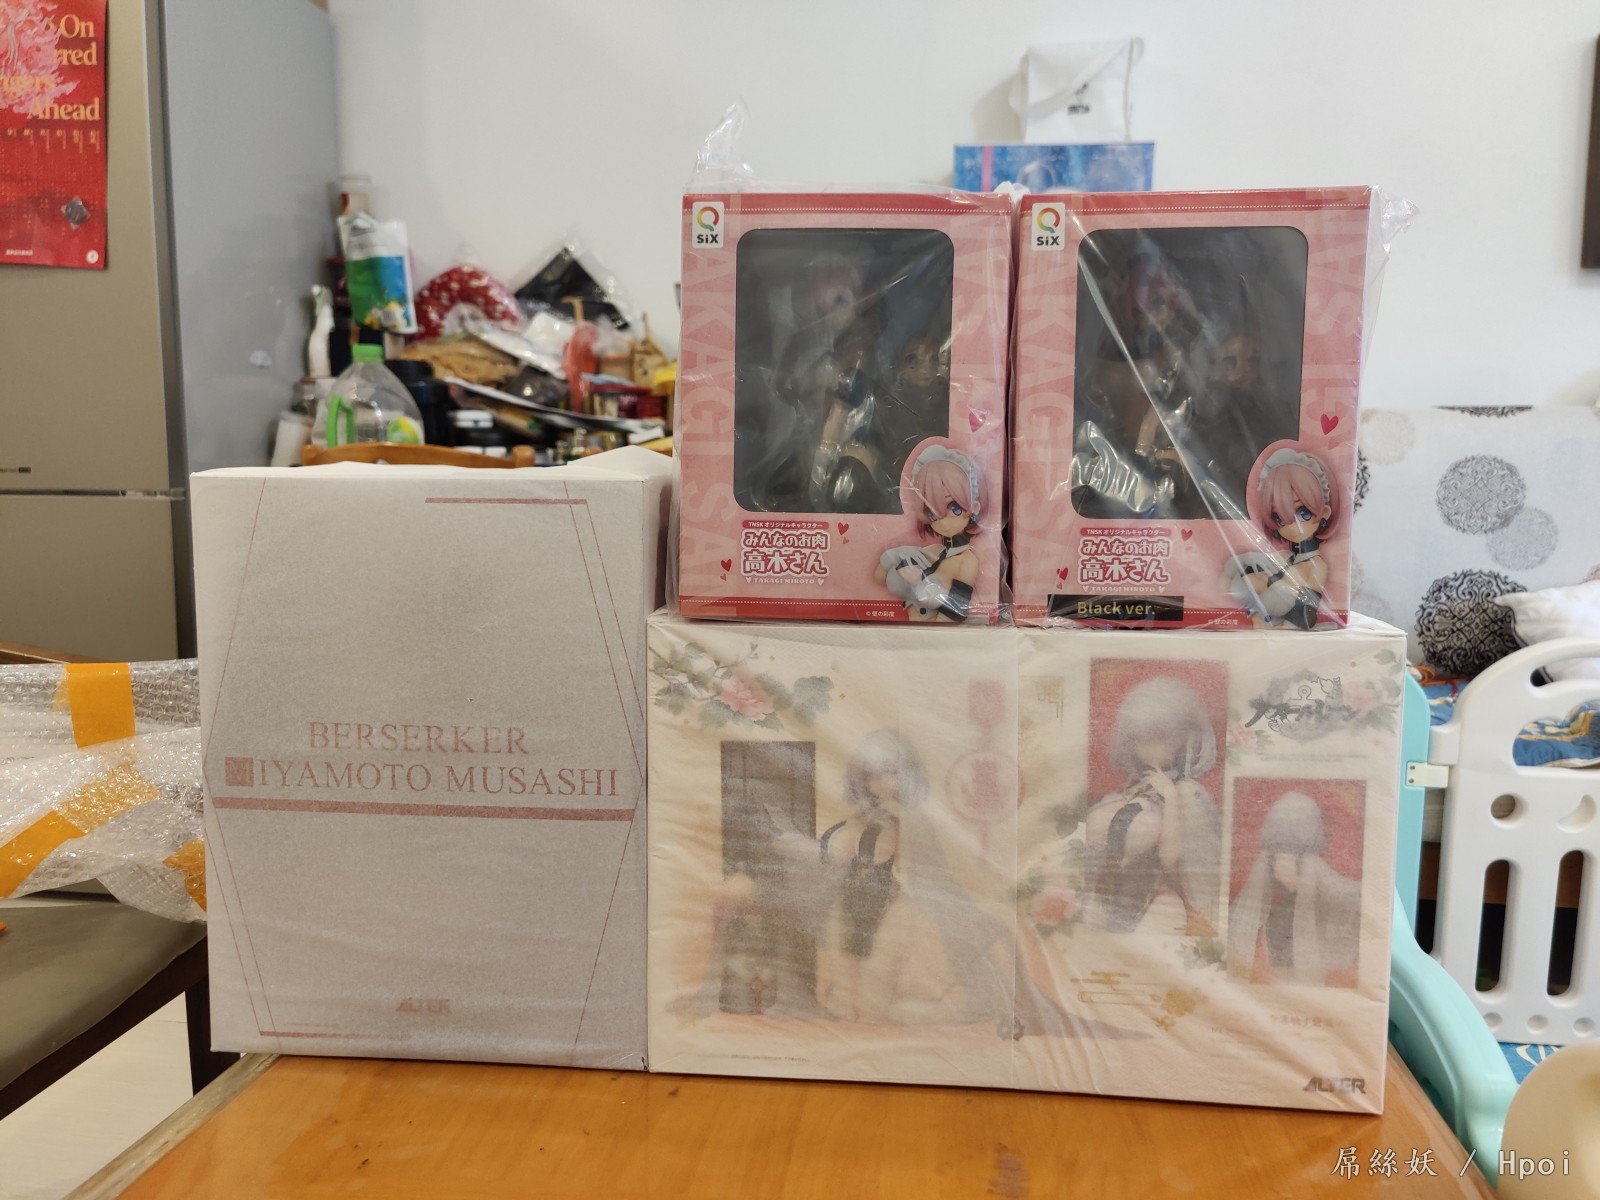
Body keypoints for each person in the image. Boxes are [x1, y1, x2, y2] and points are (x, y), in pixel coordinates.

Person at [1082, 677, 1222, 937]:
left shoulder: (1185, 793)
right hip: (1106, 892)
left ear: (1180, 740)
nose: (1147, 749)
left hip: (1149, 898)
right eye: (1140, 740)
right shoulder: (1130, 789)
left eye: (1158, 739)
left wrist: (1170, 798)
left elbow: (1172, 859)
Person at [1226, 790, 1361, 985]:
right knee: (1292, 974)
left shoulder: (1268, 858)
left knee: (1284, 974)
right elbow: (1335, 890)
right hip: (1294, 924)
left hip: (1278, 922)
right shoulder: (1307, 862)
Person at [1222, 447, 1340, 630]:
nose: (1293, 526)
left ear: (1324, 512)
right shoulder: (1284, 557)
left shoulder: (1317, 566)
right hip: (1254, 628)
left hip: (1280, 633)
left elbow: (1307, 607)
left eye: (1303, 512)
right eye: (1279, 517)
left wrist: (1286, 628)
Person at [875, 446, 982, 623]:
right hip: (903, 631)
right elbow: (879, 578)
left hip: (933, 635)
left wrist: (918, 583)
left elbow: (956, 613)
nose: (943, 521)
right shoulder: (934, 551)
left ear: (974, 508)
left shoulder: (967, 562)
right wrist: (892, 555)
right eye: (931, 512)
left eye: (954, 508)